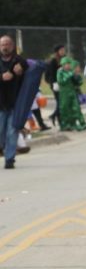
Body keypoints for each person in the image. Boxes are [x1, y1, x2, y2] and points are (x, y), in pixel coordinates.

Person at [1, 34, 29, 169]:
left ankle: (9, 159)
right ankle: (2, 148)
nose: (5, 47)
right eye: (2, 45)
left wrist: (21, 69)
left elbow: (27, 65)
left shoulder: (18, 60)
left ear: (12, 46)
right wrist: (2, 77)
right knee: (1, 131)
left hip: (14, 103)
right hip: (0, 104)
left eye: (7, 44)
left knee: (12, 132)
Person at [56, 56, 86, 131]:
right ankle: (66, 124)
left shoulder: (71, 71)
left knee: (76, 107)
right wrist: (69, 76)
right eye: (66, 64)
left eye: (69, 64)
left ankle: (80, 123)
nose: (68, 66)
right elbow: (61, 81)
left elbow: (78, 82)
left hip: (72, 92)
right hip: (64, 93)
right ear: (63, 64)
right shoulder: (60, 71)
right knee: (65, 108)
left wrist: (78, 79)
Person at [45, 44, 65, 127]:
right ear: (57, 51)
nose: (63, 51)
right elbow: (51, 74)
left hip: (63, 83)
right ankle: (58, 119)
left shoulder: (63, 59)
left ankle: (53, 116)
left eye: (64, 50)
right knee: (60, 102)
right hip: (55, 84)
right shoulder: (53, 61)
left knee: (61, 102)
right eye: (61, 50)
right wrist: (54, 83)